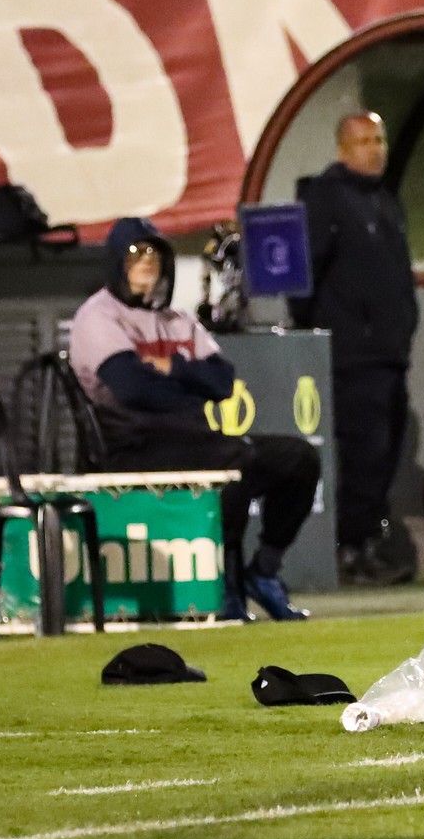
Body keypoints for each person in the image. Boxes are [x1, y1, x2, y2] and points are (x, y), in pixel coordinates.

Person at [69, 217, 318, 621]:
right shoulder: (98, 316)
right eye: (136, 255)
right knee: (231, 463)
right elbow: (131, 388)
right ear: (117, 263)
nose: (147, 263)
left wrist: (166, 366)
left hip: (193, 439)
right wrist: (184, 378)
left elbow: (221, 381)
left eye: (155, 254)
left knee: (299, 458)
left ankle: (264, 572)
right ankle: (227, 584)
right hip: (131, 445)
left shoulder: (177, 320)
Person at [290, 112, 420, 585]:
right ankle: (349, 547)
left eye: (380, 139)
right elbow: (304, 279)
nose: (375, 149)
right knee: (362, 455)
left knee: (384, 456)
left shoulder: (385, 201)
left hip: (389, 354)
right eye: (364, 141)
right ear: (343, 148)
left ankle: (367, 542)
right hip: (352, 356)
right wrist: (328, 331)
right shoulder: (325, 199)